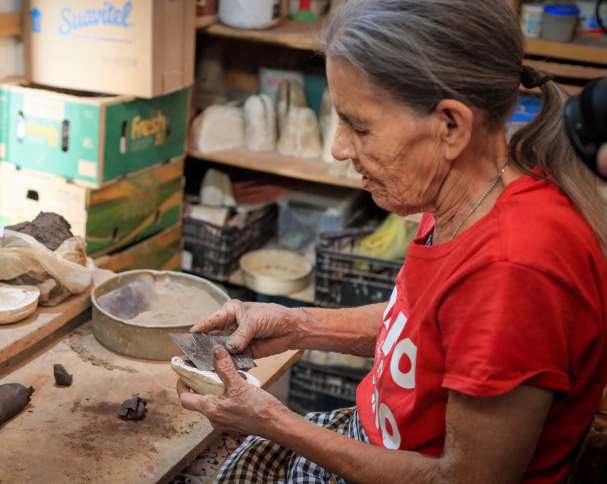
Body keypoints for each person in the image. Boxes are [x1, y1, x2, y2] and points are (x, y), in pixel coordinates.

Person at [176, 1, 607, 483]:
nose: (339, 148)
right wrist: (298, 324)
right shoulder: (471, 191)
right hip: (378, 438)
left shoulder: (513, 269)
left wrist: (273, 421)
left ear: (450, 126)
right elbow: (428, 326)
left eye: (359, 126)